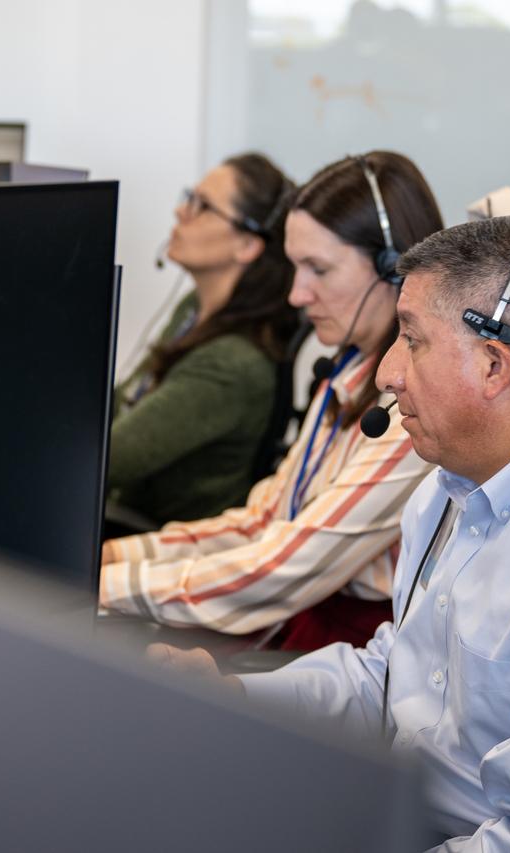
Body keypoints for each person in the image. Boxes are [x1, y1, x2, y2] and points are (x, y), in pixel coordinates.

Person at [154, 216, 510, 850]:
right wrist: (229, 699)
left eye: (410, 339)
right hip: (403, 813)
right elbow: (392, 680)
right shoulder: (448, 490)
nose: (386, 372)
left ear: (494, 364)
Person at [100, 152, 444, 649]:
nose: (296, 295)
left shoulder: (412, 405)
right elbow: (266, 521)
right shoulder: (347, 368)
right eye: (294, 267)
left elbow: (288, 568)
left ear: (394, 270)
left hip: (354, 644)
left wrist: (106, 585)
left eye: (317, 269)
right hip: (297, 613)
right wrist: (122, 556)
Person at [107, 153, 300, 527]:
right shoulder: (194, 309)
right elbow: (126, 398)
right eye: (188, 197)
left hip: (154, 540)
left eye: (203, 206)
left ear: (248, 244)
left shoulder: (232, 363)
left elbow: (110, 458)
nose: (181, 212)